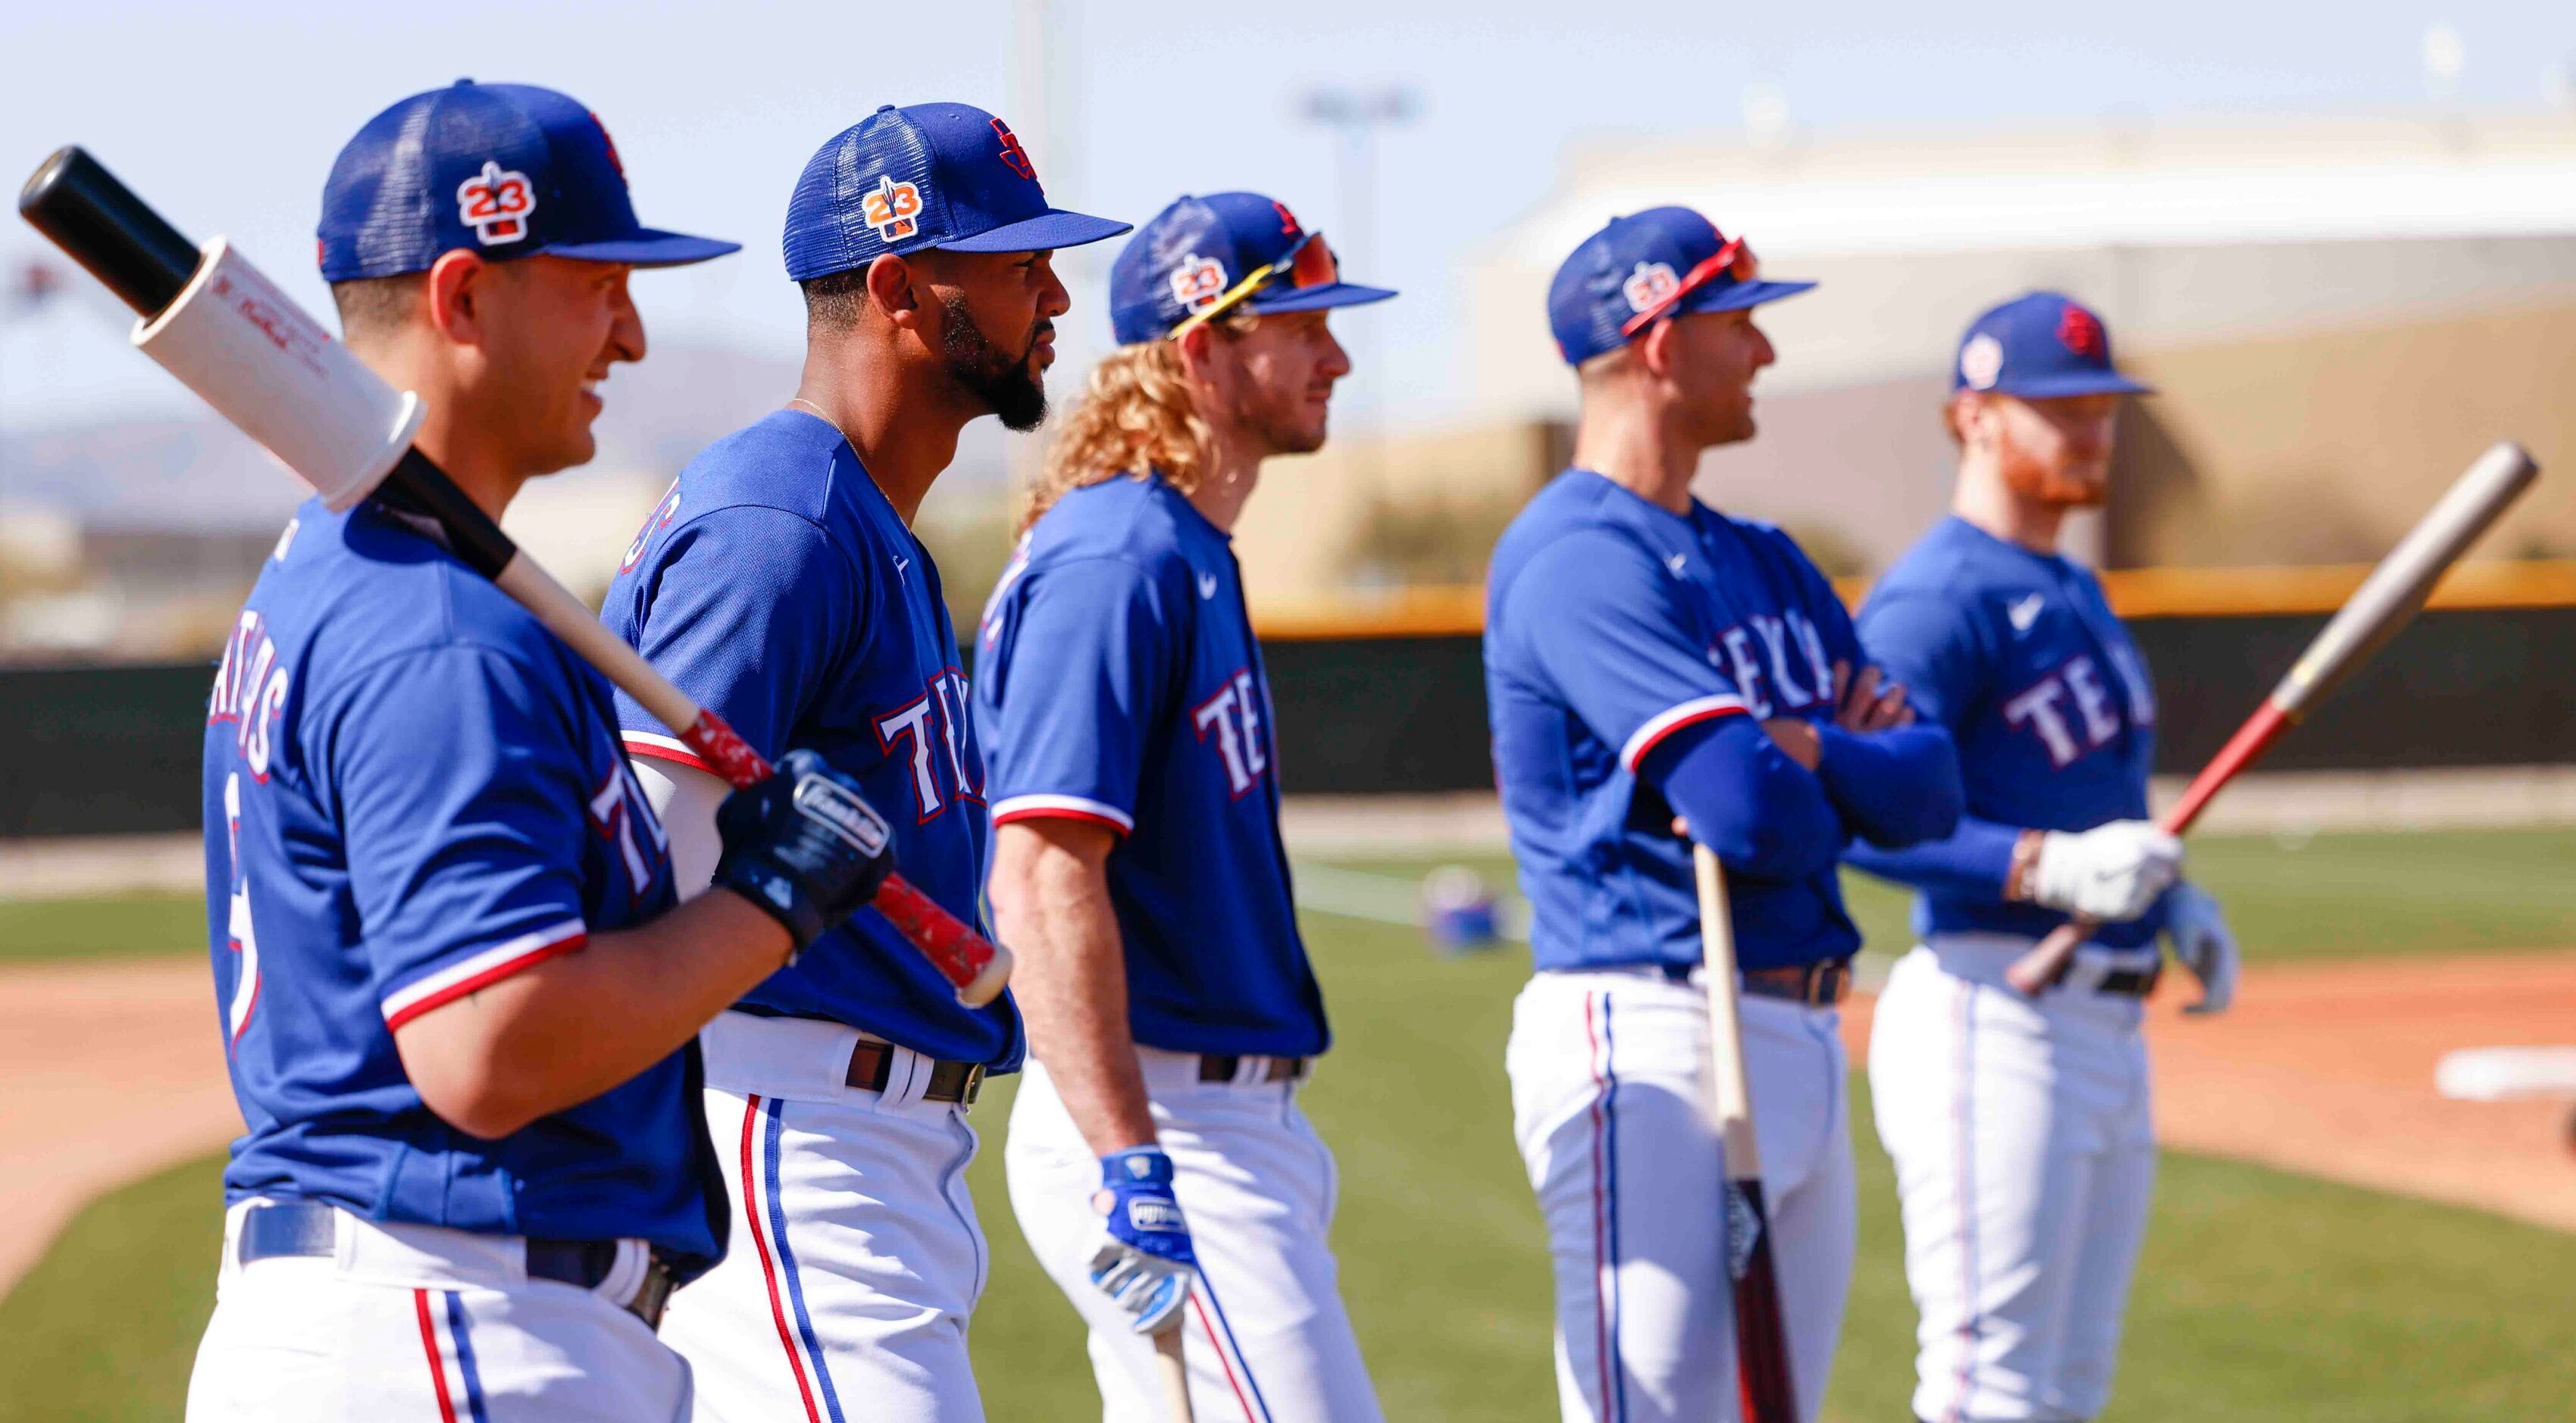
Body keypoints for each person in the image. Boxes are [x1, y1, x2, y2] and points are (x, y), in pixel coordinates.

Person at [187, 80, 897, 1422]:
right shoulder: (437, 628)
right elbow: (490, 1049)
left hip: (401, 1304)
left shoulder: (341, 571)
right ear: (462, 301)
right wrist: (780, 897)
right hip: (453, 1316)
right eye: (594, 286)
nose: (630, 335)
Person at [599, 102, 1127, 1423]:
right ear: (900, 288)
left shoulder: (857, 516)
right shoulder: (778, 523)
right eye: (1017, 264)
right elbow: (636, 871)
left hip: (871, 1144)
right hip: (791, 1132)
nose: (1056, 292)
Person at [1483, 207, 1965, 1423]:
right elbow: (1749, 813)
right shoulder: (1578, 555)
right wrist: (1818, 766)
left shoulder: (1768, 557)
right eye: (1737, 321)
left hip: (1798, 1020)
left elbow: (1932, 788)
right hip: (1653, 1018)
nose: (1764, 352)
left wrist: (1810, 754)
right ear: (1657, 342)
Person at [975, 191, 1397, 1422]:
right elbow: (1041, 872)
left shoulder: (1183, 544)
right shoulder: (1121, 554)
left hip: (1220, 1116)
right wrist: (1128, 1151)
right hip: (1163, 1120)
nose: (1339, 356)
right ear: (1204, 346)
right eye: (1302, 321)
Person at [1848, 290, 2239, 1423]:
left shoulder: (2073, 583)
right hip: (1993, 1010)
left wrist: (2170, 902)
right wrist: (2048, 868)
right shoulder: (1935, 598)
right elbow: (1860, 812)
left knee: (2069, 1389)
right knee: (1990, 1388)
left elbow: (2097, 796)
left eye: (2102, 407)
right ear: (1972, 417)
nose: (2091, 431)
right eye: (2057, 407)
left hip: (2107, 1026)